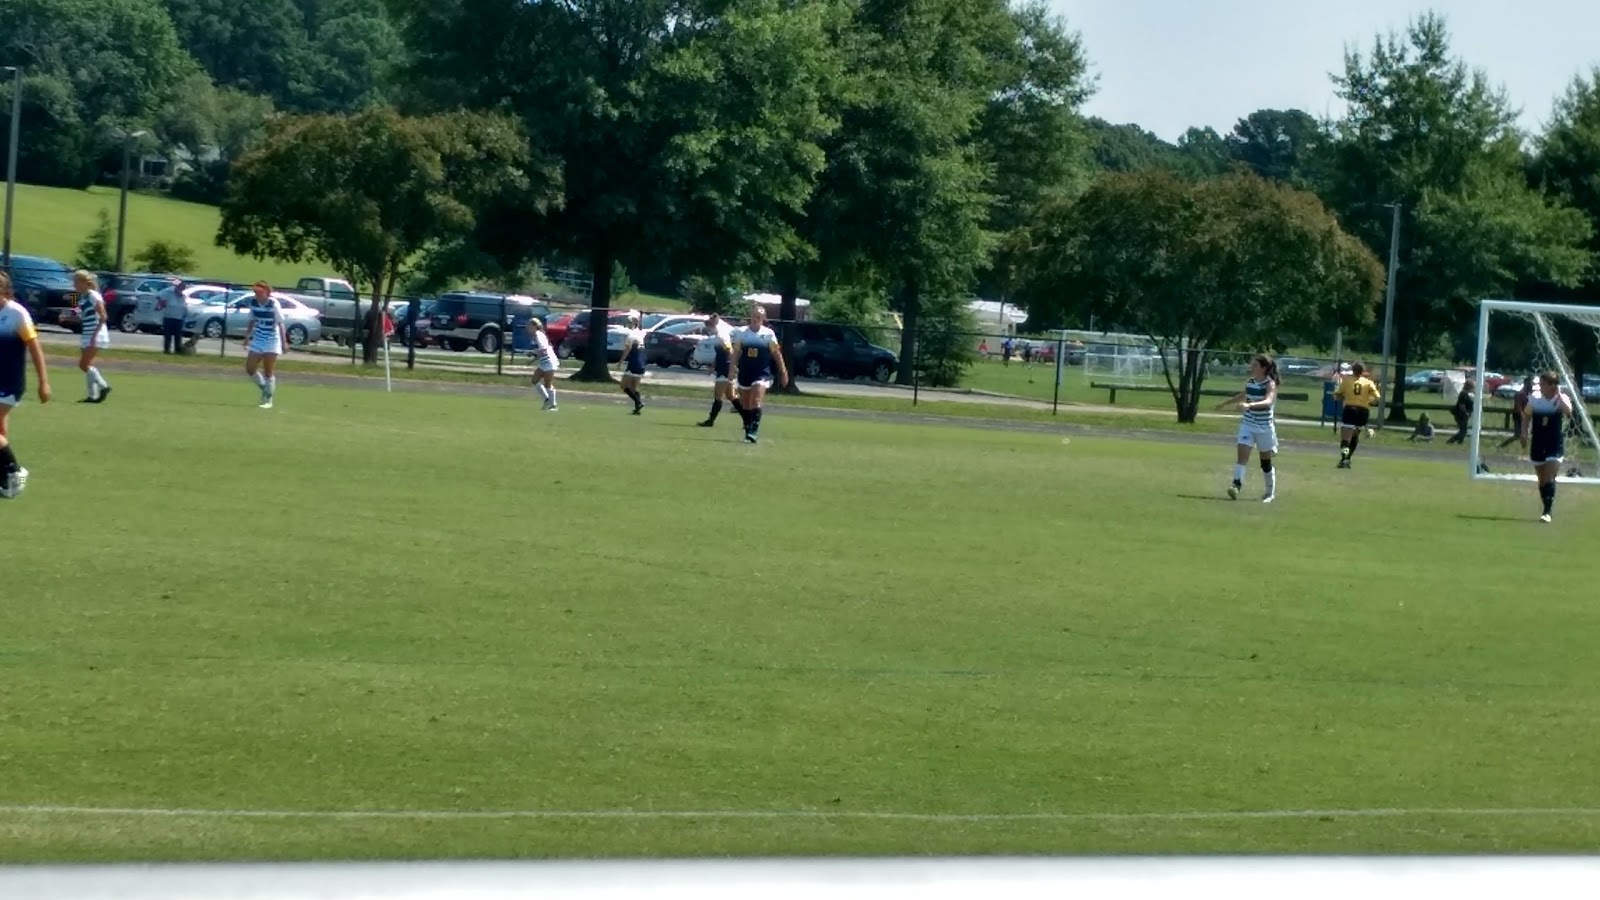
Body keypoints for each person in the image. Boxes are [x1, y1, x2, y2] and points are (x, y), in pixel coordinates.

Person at [0, 272, 52, 498]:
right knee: (1, 432)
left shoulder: (17, 313)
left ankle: (16, 471)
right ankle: (5, 479)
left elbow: (35, 348)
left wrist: (44, 382)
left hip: (9, 382)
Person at [1217, 354, 1281, 503]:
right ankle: (1236, 485)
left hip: (1265, 427)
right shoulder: (1251, 382)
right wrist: (1225, 403)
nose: (1252, 367)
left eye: (1255, 365)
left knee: (1265, 462)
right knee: (1242, 456)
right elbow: (1244, 395)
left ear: (1264, 368)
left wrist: (1250, 405)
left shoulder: (1270, 384)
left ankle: (1269, 493)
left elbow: (1268, 401)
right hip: (1248, 425)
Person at [731, 304, 790, 443]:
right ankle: (748, 428)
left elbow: (776, 353)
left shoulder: (768, 334)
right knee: (746, 403)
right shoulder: (742, 333)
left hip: (762, 372)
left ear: (763, 318)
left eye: (759, 316)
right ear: (750, 317)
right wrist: (732, 368)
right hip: (745, 371)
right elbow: (736, 352)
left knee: (756, 399)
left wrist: (783, 371)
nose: (756, 318)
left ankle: (754, 431)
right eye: (754, 315)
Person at [1522, 371, 1574, 523]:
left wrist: (1558, 395)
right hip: (1538, 442)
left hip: (1554, 442)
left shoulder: (1561, 399)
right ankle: (1546, 507)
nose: (1540, 386)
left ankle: (1547, 512)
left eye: (1543, 384)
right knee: (1542, 479)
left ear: (1553, 385)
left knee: (1550, 476)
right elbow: (1526, 415)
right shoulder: (1534, 398)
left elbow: (1568, 412)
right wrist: (1524, 432)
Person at [243, 282, 289, 409]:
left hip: (272, 340)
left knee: (268, 371)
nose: (257, 295)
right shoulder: (253, 303)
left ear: (267, 293)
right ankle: (265, 388)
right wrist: (247, 337)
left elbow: (280, 323)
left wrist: (284, 342)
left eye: (259, 293)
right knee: (250, 368)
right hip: (258, 339)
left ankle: (268, 400)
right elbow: (252, 320)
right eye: (255, 293)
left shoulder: (273, 304)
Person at [72, 270, 112, 403]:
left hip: (95, 333)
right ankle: (92, 395)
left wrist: (95, 335)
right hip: (86, 333)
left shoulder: (93, 295)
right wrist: (66, 316)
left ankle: (103, 386)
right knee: (87, 365)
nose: (74, 285)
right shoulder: (81, 297)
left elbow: (103, 316)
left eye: (76, 282)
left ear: (84, 282)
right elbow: (78, 314)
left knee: (83, 365)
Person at [1333, 362, 1381, 468]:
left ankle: (1344, 459)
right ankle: (1348, 458)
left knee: (1345, 439)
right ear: (1362, 371)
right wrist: (1369, 401)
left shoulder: (1347, 381)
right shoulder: (1368, 382)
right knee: (1354, 436)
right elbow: (1377, 397)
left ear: (1352, 370)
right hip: (1363, 411)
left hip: (1350, 410)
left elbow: (1337, 395)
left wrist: (1342, 397)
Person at [698, 313, 741, 427]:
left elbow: (729, 351)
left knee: (718, 396)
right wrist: (713, 366)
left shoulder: (721, 335)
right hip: (724, 368)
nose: (708, 328)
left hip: (725, 369)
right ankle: (748, 418)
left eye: (709, 324)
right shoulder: (717, 336)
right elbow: (719, 354)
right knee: (731, 396)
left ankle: (710, 421)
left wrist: (733, 367)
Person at [526, 316, 559, 411]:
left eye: (529, 325)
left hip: (549, 362)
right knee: (535, 380)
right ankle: (547, 400)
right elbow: (542, 352)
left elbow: (544, 350)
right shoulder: (537, 335)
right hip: (543, 362)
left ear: (534, 326)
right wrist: (532, 361)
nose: (527, 328)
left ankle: (553, 405)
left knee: (548, 384)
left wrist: (532, 352)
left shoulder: (538, 335)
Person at [617, 311, 647, 414]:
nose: (628, 324)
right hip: (642, 362)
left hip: (634, 362)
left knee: (623, 385)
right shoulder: (640, 334)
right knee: (634, 387)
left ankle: (639, 402)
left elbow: (628, 349)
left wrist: (620, 362)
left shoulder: (631, 335)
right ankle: (637, 408)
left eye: (629, 322)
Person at [1499, 375, 1535, 449]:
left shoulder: (1529, 394)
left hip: (1526, 415)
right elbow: (1518, 407)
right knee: (1518, 434)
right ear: (1526, 384)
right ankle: (1502, 446)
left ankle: (1524, 448)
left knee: (1526, 433)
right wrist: (1522, 416)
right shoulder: (1520, 394)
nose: (1532, 386)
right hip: (1519, 415)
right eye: (1530, 384)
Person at [158, 285, 187, 355]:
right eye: (179, 288)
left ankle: (178, 350)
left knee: (178, 336)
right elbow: (160, 298)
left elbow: (184, 307)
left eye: (182, 289)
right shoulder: (169, 294)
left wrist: (184, 315)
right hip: (169, 317)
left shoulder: (183, 297)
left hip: (179, 318)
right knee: (167, 335)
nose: (180, 290)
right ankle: (167, 350)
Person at [1446, 379, 1475, 445]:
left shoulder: (1465, 394)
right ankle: (1451, 441)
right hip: (1461, 415)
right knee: (1463, 431)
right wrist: (1466, 413)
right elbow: (1462, 405)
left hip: (1463, 415)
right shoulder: (1463, 394)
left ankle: (1460, 442)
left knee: (1464, 430)